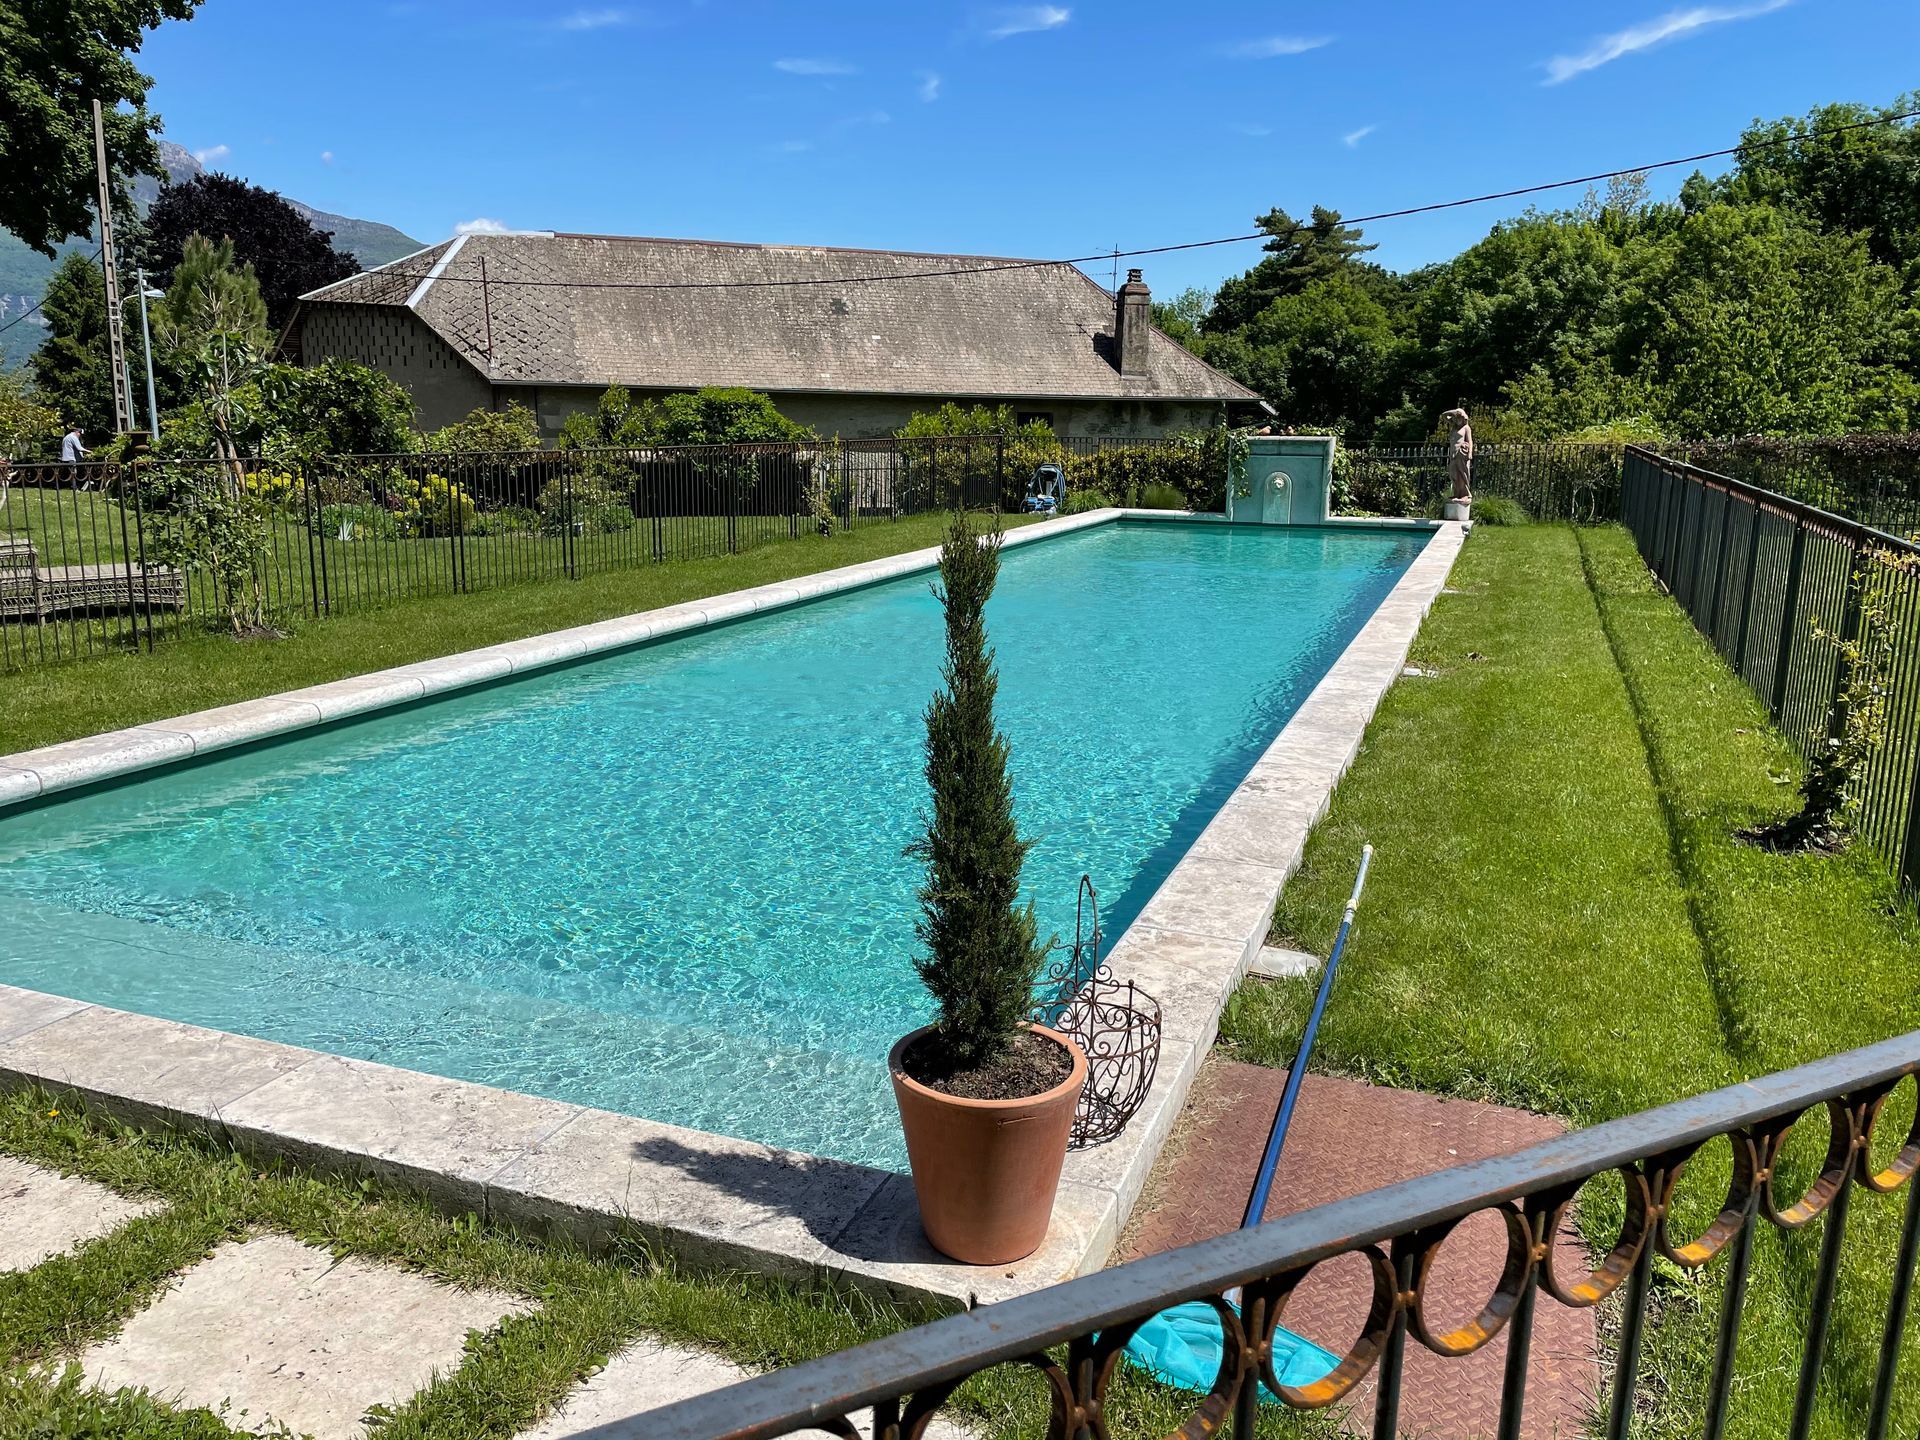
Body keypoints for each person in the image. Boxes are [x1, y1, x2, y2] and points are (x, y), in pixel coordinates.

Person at [1440, 407, 1473, 501]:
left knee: (1462, 474)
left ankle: (1464, 494)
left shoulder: (1466, 428)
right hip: (1453, 454)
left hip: (1461, 453)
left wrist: (1470, 452)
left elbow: (1470, 441)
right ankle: (1457, 493)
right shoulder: (1454, 426)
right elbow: (1444, 415)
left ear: (1463, 419)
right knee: (1453, 474)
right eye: (1456, 418)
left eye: (1459, 418)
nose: (1457, 420)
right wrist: (1455, 412)